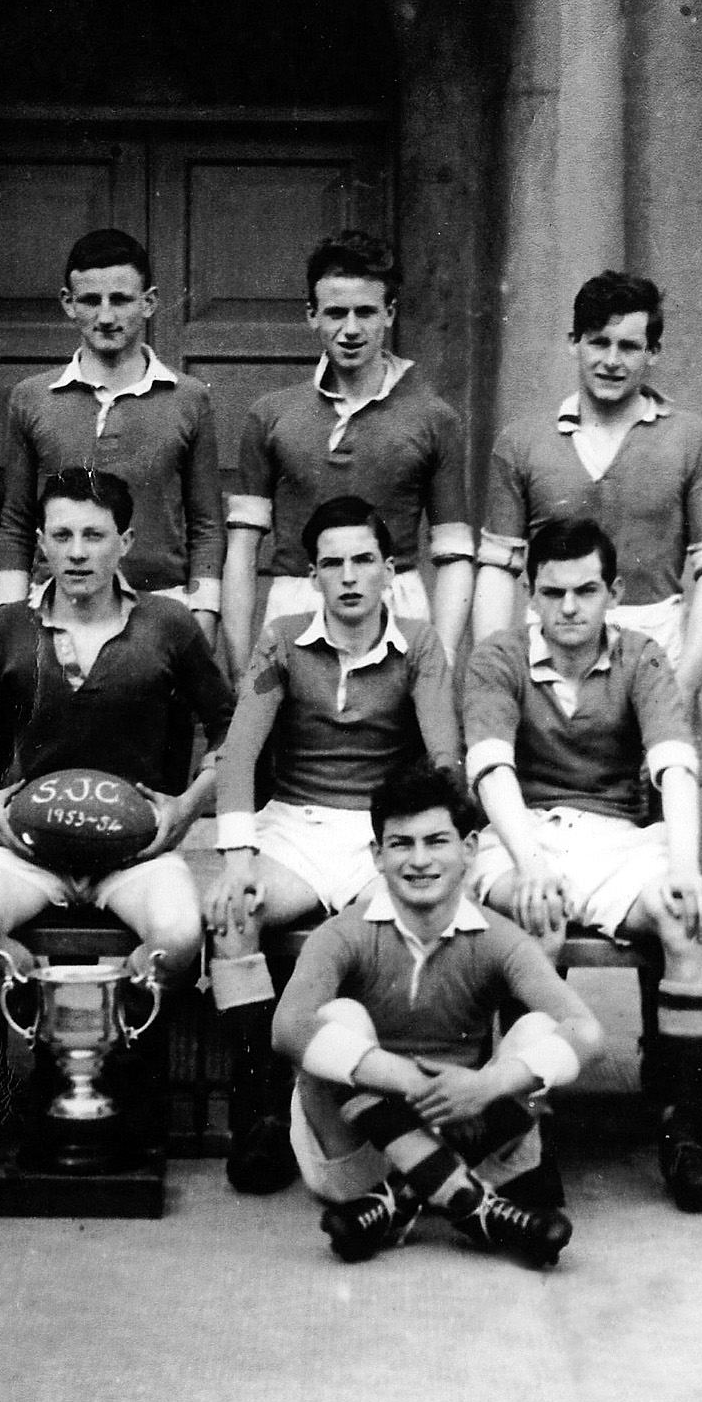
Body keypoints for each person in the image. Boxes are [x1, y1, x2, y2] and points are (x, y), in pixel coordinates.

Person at [204, 495, 462, 1195]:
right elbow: (236, 755)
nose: (348, 577)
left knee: (400, 930)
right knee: (232, 914)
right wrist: (237, 860)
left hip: (382, 829)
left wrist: (419, 846)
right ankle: (257, 1111)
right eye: (331, 564)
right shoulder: (281, 637)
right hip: (295, 823)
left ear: (388, 569)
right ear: (312, 576)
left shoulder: (421, 642)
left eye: (362, 560)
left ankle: (397, 1115)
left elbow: (443, 760)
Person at [464, 516, 702, 1211]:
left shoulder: (641, 656)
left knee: (688, 921)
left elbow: (672, 760)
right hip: (522, 829)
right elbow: (490, 769)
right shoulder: (498, 657)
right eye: (552, 592)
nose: (568, 607)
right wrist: (526, 860)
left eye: (584, 590)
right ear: (531, 593)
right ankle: (526, 1130)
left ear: (612, 591)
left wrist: (681, 864)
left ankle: (683, 1123)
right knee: (533, 914)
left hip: (614, 834)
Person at [272, 765, 601, 1267]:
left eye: (437, 841)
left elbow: (587, 1033)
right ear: (377, 855)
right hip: (356, 1157)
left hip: (469, 1131)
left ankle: (408, 1197)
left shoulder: (497, 936)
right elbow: (288, 1028)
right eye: (401, 844)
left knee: (539, 1030)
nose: (420, 860)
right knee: (337, 1016)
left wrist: (486, 1087)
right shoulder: (343, 933)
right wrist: (405, 1078)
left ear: (469, 849)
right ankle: (473, 1206)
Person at [0, 468, 235, 991]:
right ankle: (44, 1012)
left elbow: (229, 732)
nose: (77, 552)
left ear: (124, 543)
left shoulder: (168, 623)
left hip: (135, 851)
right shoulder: (4, 627)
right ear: (40, 544)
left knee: (179, 938)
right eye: (62, 536)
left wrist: (188, 804)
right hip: (29, 849)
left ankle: (112, 1024)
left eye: (94, 535)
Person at [474, 272, 702, 699]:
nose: (611, 361)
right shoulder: (521, 442)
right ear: (573, 341)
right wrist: (495, 675)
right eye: (598, 342)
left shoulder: (694, 440)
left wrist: (684, 685)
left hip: (654, 645)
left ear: (653, 352)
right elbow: (497, 569)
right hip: (548, 647)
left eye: (629, 346)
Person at [223, 232, 474, 675]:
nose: (352, 329)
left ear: (390, 314)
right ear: (312, 316)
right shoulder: (271, 414)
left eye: (366, 312)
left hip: (398, 603)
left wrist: (445, 658)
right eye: (336, 313)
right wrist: (242, 662)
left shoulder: (436, 418)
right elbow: (242, 550)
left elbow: (454, 554)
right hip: (296, 601)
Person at [0, 229, 222, 639]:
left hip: (161, 608)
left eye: (121, 300)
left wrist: (202, 618)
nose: (106, 317)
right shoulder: (31, 398)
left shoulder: (189, 399)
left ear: (149, 302)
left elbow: (206, 523)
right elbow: (16, 521)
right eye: (90, 301)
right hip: (56, 610)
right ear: (68, 303)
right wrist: (9, 620)